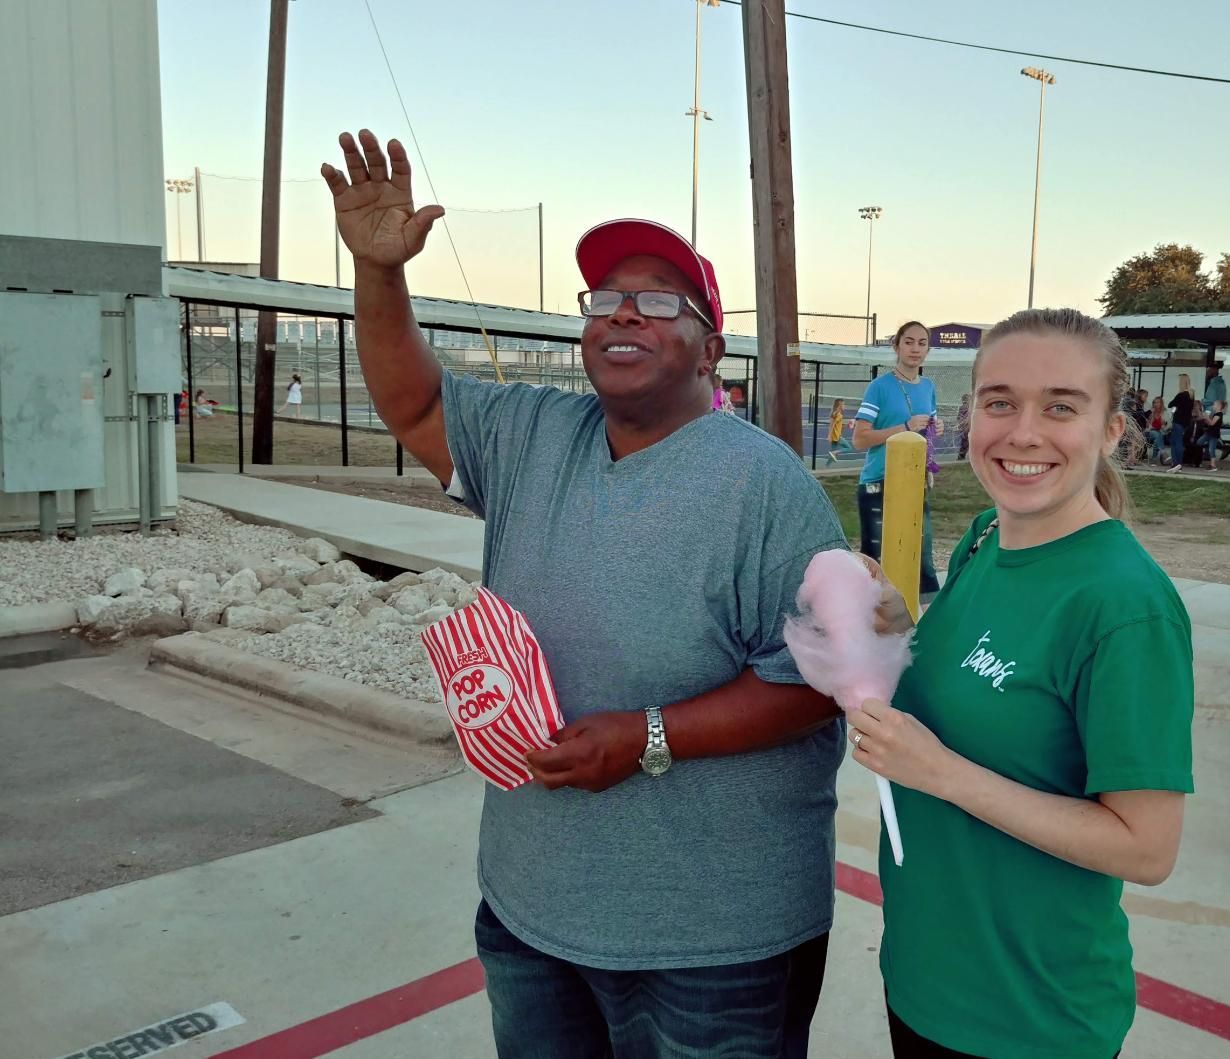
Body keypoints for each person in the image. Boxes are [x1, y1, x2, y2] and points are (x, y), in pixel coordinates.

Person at [322, 129, 847, 1059]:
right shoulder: (533, 434)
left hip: (711, 948)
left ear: (708, 348)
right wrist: (378, 273)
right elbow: (411, 405)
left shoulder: (766, 485)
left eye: (656, 302)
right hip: (532, 914)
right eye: (605, 299)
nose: (622, 316)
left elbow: (821, 680)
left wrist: (647, 735)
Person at [848, 307, 1193, 1059]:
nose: (1024, 432)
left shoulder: (1125, 606)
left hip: (1027, 1018)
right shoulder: (983, 541)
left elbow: (1147, 848)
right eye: (1000, 401)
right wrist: (888, 623)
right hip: (925, 978)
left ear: (1110, 429)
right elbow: (975, 691)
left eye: (1061, 406)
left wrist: (940, 773)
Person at [853, 322, 941, 596]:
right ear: (897, 346)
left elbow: (925, 430)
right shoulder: (880, 387)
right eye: (909, 342)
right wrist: (905, 427)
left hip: (914, 483)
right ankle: (869, 628)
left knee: (922, 558)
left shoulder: (928, 387)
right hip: (879, 483)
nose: (916, 349)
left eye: (922, 343)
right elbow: (860, 439)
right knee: (878, 563)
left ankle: (928, 625)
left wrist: (935, 430)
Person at [1166, 373, 1195, 473]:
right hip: (1186, 421)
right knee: (1178, 441)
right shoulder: (1191, 394)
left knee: (1175, 442)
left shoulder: (1181, 395)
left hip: (1178, 420)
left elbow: (1170, 404)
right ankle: (1178, 463)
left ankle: (1176, 462)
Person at [826, 397, 853, 463]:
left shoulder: (835, 413)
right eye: (843, 404)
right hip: (837, 437)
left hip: (835, 436)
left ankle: (827, 467)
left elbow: (839, 426)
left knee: (831, 456)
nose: (844, 406)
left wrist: (847, 425)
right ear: (839, 405)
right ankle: (835, 452)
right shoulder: (839, 415)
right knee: (849, 448)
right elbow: (832, 425)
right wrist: (829, 435)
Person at [1200, 399, 1225, 471]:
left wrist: (1207, 417)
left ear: (1219, 406)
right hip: (1209, 433)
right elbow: (1210, 424)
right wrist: (1205, 419)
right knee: (1199, 442)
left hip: (1214, 434)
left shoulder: (1219, 414)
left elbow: (1212, 423)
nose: (1213, 406)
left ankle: (1213, 465)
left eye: (1214, 405)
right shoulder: (1215, 414)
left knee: (1211, 450)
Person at [1144, 396, 1169, 464]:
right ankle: (1163, 454)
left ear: (1161, 404)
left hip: (1160, 433)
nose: (1156, 404)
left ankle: (1154, 458)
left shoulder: (1165, 413)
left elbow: (1167, 425)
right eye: (1155, 402)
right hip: (1149, 433)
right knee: (1156, 434)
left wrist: (1164, 425)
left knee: (1157, 439)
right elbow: (1147, 426)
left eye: (1158, 402)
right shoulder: (1151, 412)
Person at [955, 393, 971, 460]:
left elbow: (958, 417)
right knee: (965, 442)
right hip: (967, 427)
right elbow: (959, 417)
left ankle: (961, 456)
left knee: (965, 442)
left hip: (966, 428)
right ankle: (961, 456)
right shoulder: (967, 407)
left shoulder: (963, 407)